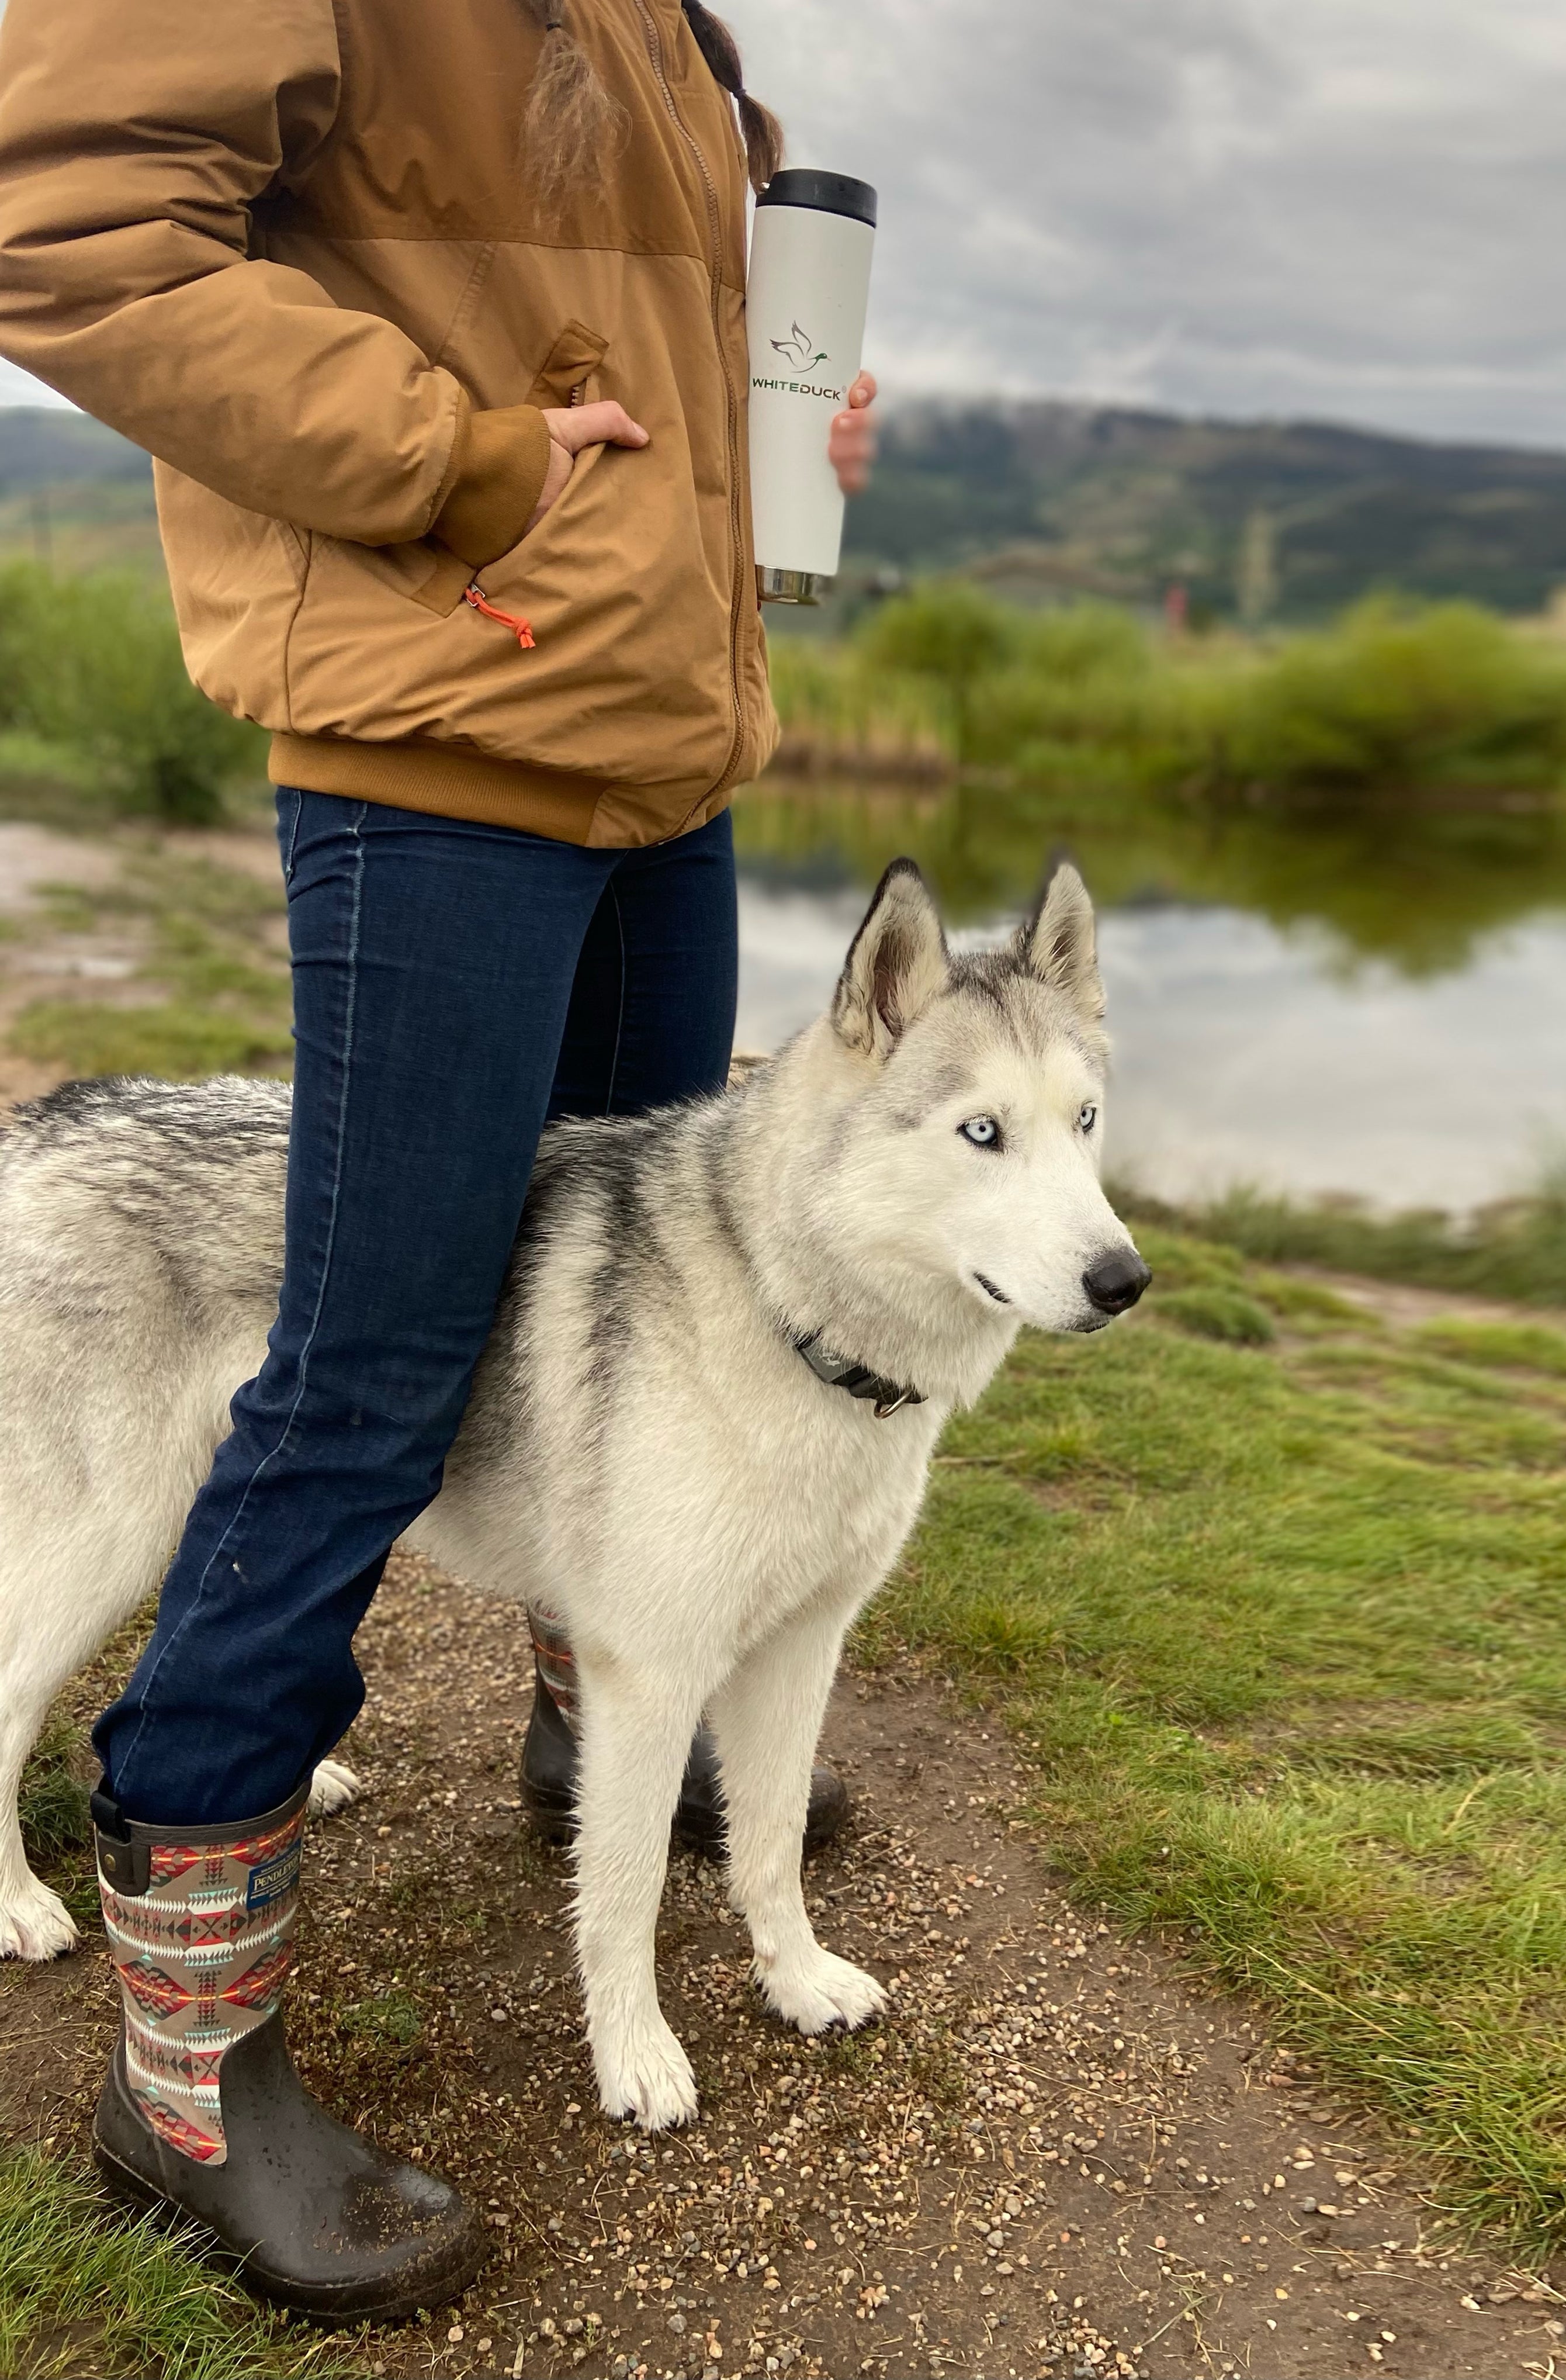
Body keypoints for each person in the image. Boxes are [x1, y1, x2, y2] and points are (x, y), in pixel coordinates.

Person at [0, 0, 874, 2320]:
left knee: (643, 1309)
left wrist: (760, 465)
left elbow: (584, 336)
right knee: (371, 1366)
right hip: (440, 740)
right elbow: (60, 220)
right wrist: (466, 466)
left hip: (651, 753)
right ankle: (184, 2063)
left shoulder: (661, 23)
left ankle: (619, 1727)